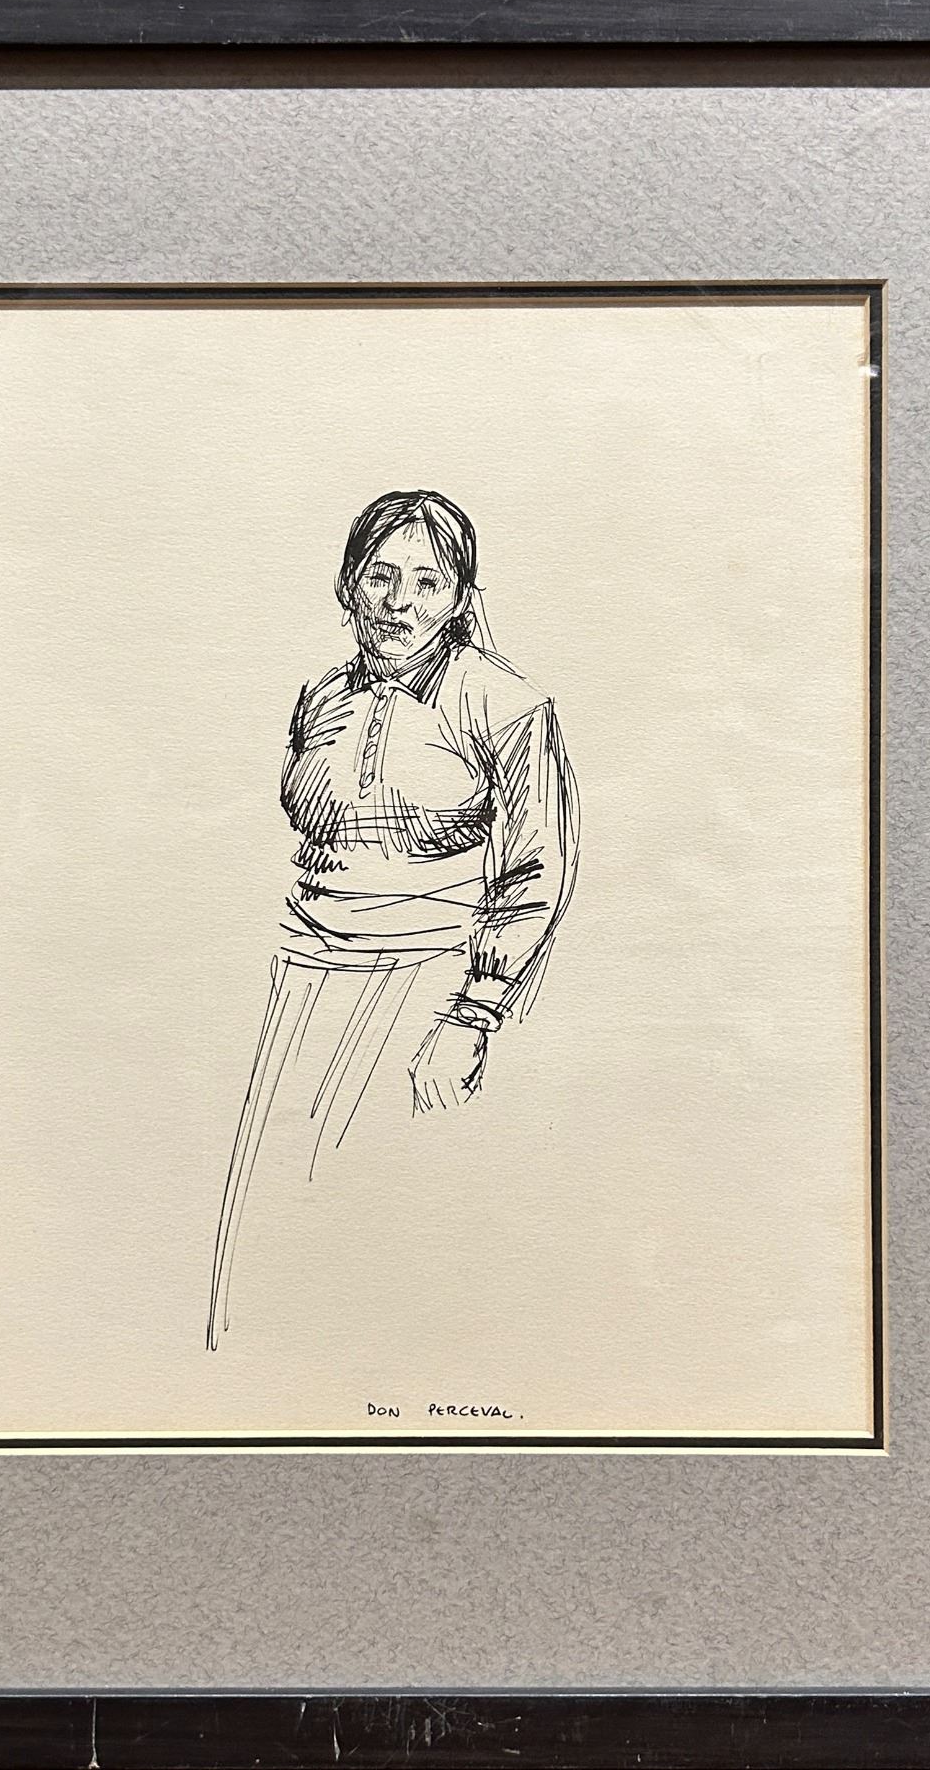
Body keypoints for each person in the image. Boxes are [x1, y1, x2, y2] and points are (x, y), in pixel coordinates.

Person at [206, 489, 579, 1348]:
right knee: (270, 1222)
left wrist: (472, 1015)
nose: (398, 602)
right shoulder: (318, 695)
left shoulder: (507, 705)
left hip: (427, 991)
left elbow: (536, 870)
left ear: (460, 598)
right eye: (379, 576)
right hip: (302, 980)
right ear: (348, 585)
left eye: (427, 581)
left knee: (395, 1230)